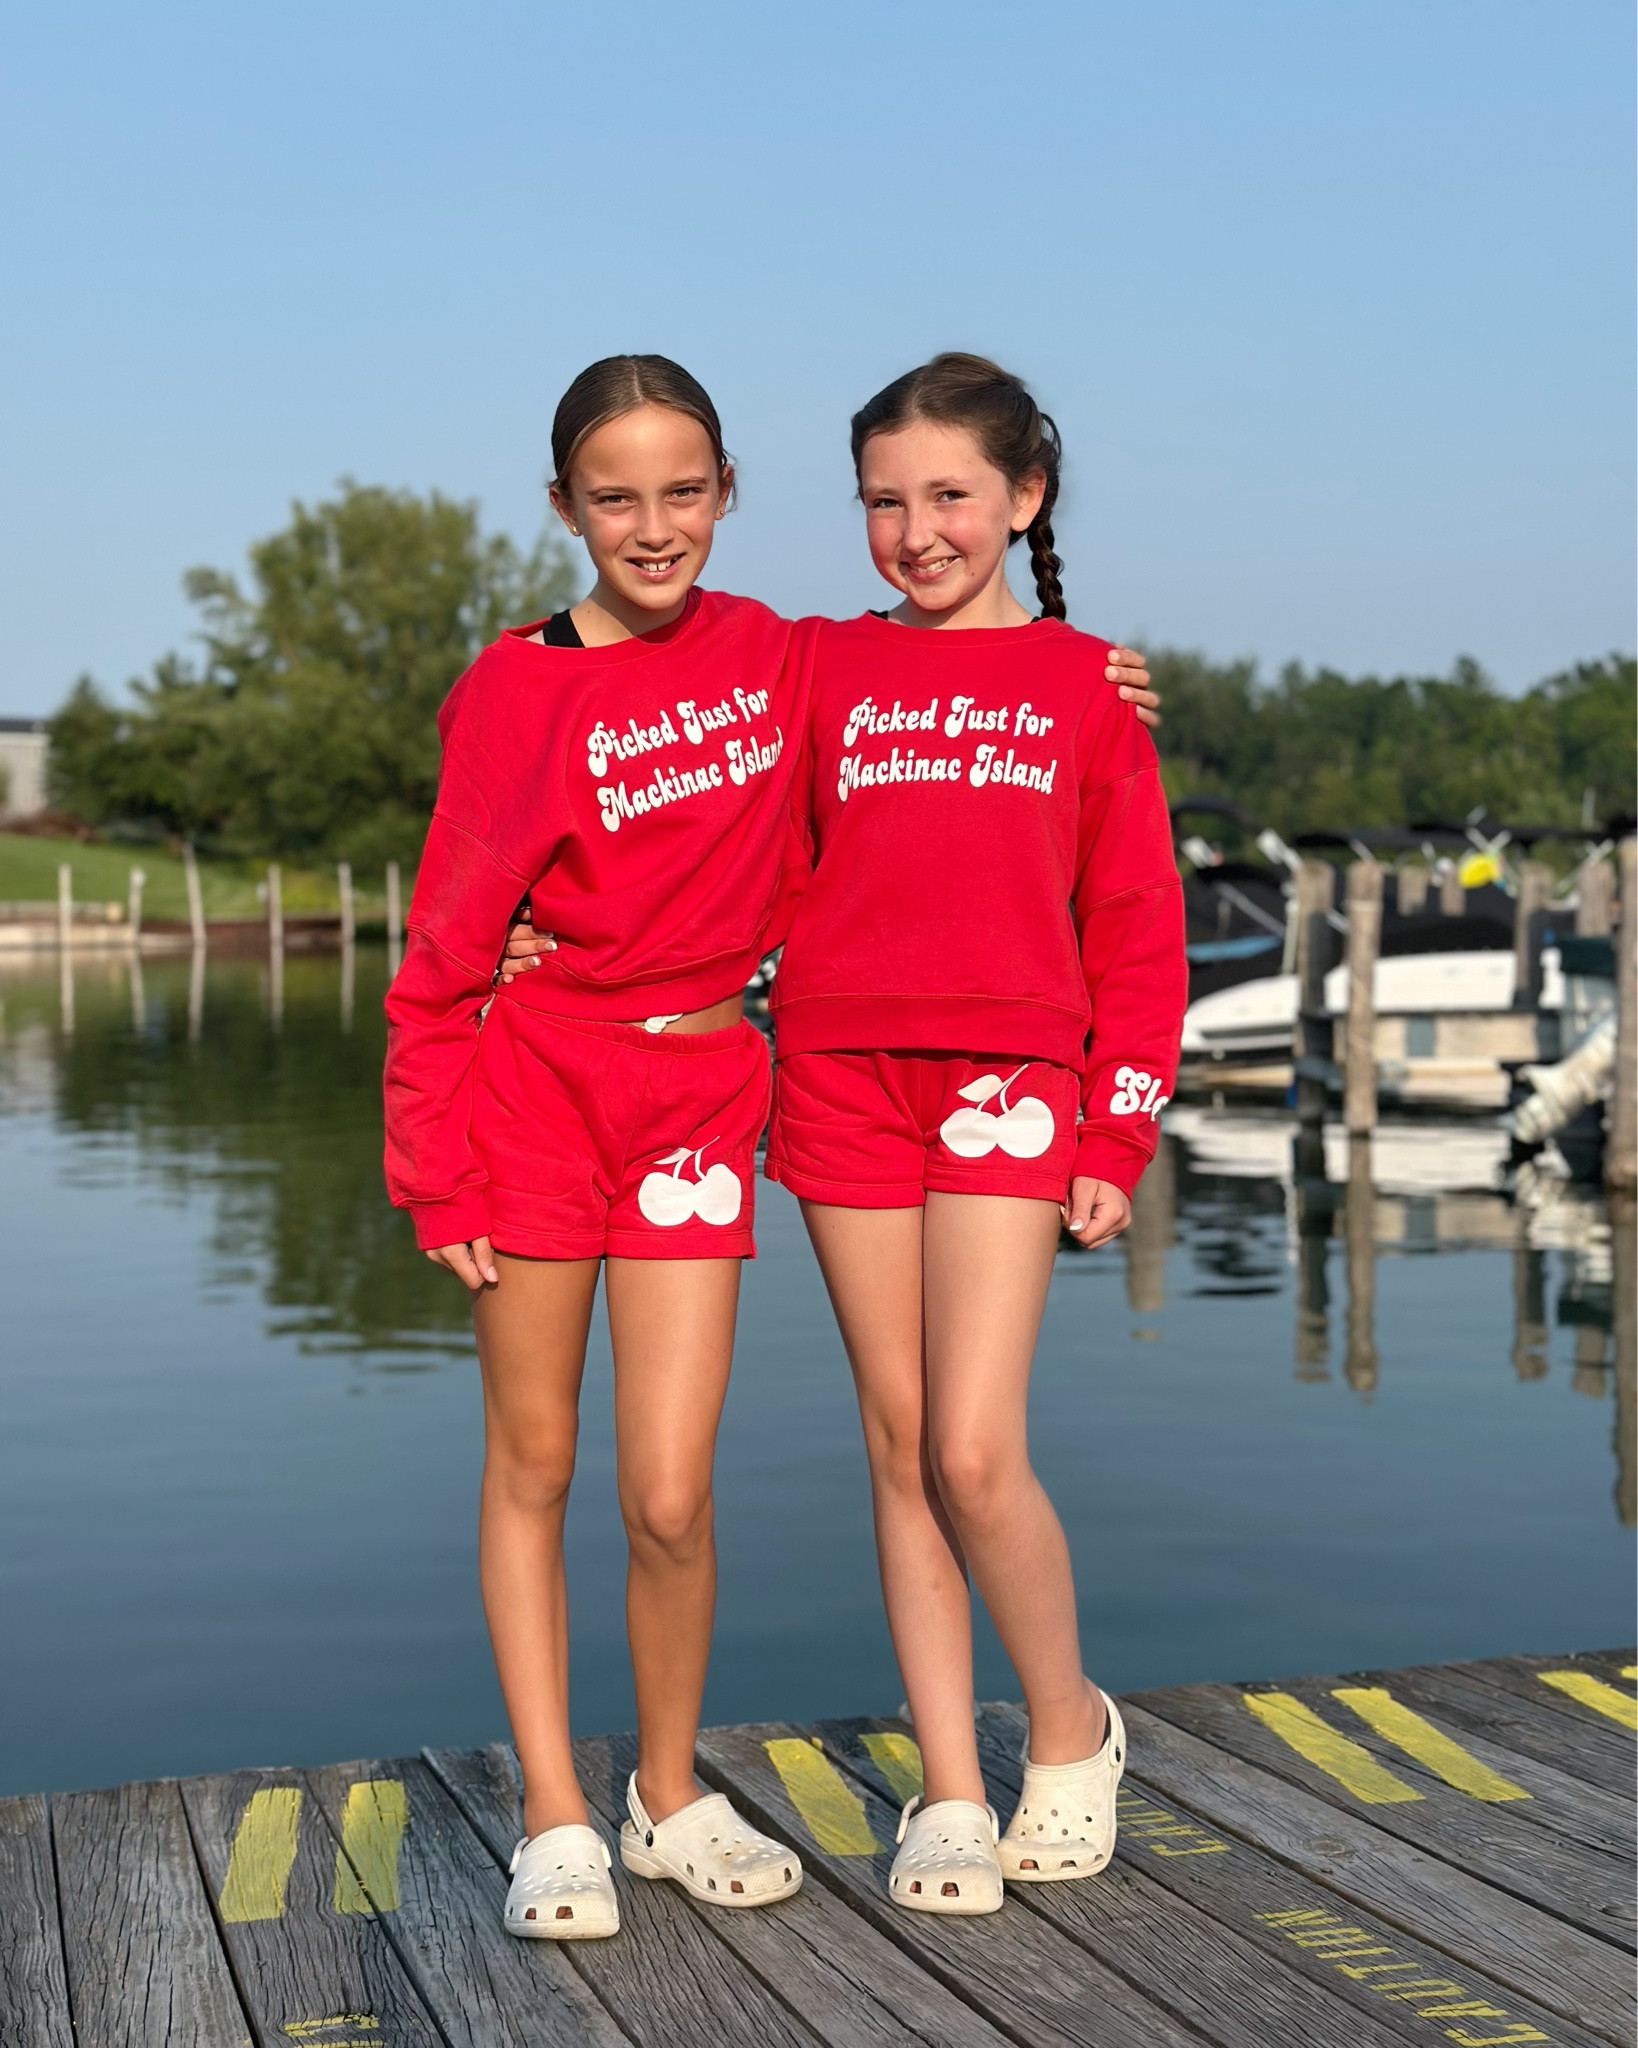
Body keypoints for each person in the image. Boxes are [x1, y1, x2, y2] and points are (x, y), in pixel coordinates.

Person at [418, 353, 1159, 1941]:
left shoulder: (887, 666)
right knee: (692, 1451)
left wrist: (1096, 679)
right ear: (564, 506)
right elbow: (500, 869)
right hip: (679, 1084)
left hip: (847, 1089)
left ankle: (987, 1741)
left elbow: (1086, 844)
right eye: (884, 501)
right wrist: (467, 1081)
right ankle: (674, 1803)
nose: (653, 524)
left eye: (683, 491)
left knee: (830, 1468)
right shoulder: (664, 674)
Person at [764, 353, 1187, 1914]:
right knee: (895, 1443)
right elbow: (666, 756)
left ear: (1023, 497)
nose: (916, 530)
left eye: (949, 494)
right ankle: (949, 1784)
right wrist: (539, 928)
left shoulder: (1084, 690)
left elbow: (1135, 923)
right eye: (883, 501)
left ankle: (1068, 1733)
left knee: (969, 1445)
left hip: (1008, 1084)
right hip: (838, 1075)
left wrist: (1114, 1134)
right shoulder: (817, 667)